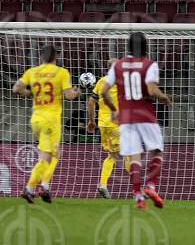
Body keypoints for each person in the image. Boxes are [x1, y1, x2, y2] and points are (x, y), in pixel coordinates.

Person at [101, 32, 171, 209]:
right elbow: (152, 90)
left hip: (126, 118)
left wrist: (114, 110)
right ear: (146, 46)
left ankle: (138, 195)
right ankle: (151, 186)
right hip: (146, 115)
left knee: (134, 155)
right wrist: (164, 98)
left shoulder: (117, 65)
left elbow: (103, 91)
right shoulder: (150, 65)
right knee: (156, 151)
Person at [13, 45, 79, 203]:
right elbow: (69, 96)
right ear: (56, 57)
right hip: (51, 120)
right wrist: (77, 92)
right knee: (46, 156)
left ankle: (45, 185)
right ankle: (30, 188)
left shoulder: (32, 72)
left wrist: (29, 93)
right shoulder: (61, 72)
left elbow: (16, 88)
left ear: (41, 56)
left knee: (55, 153)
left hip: (36, 119)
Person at [87, 58, 131, 199]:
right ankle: (138, 187)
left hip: (102, 125)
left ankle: (103, 184)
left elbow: (90, 102)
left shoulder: (101, 82)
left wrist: (91, 121)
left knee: (111, 156)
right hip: (115, 124)